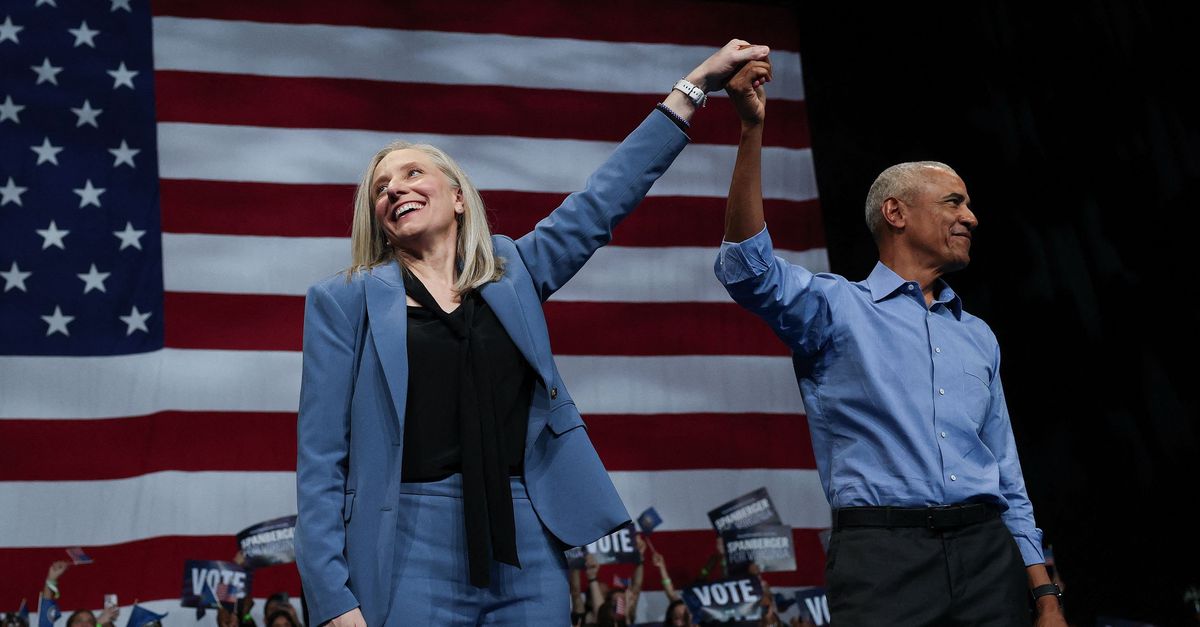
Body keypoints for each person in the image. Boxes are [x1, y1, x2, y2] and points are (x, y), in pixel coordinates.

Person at [295, 40, 770, 627]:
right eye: (381, 187)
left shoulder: (515, 270)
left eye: (413, 172)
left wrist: (693, 87)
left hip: (524, 532)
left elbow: (604, 199)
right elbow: (321, 461)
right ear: (380, 220)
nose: (395, 187)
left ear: (460, 198)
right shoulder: (343, 301)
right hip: (406, 542)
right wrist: (332, 599)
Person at [714, 61, 1066, 626]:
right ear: (895, 213)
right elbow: (745, 269)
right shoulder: (835, 308)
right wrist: (751, 129)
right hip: (883, 560)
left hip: (987, 555)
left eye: (969, 204)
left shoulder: (978, 335)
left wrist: (1045, 594)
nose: (971, 217)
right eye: (953, 202)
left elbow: (1007, 474)